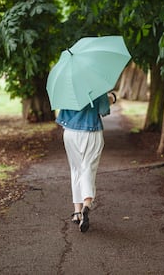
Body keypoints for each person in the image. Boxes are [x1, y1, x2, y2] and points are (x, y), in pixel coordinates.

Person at [56, 92, 116, 232]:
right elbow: (103, 110)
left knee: (76, 169)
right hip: (91, 132)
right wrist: (112, 98)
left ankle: (77, 212)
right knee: (88, 168)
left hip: (70, 132)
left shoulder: (68, 84)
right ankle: (87, 204)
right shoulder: (95, 85)